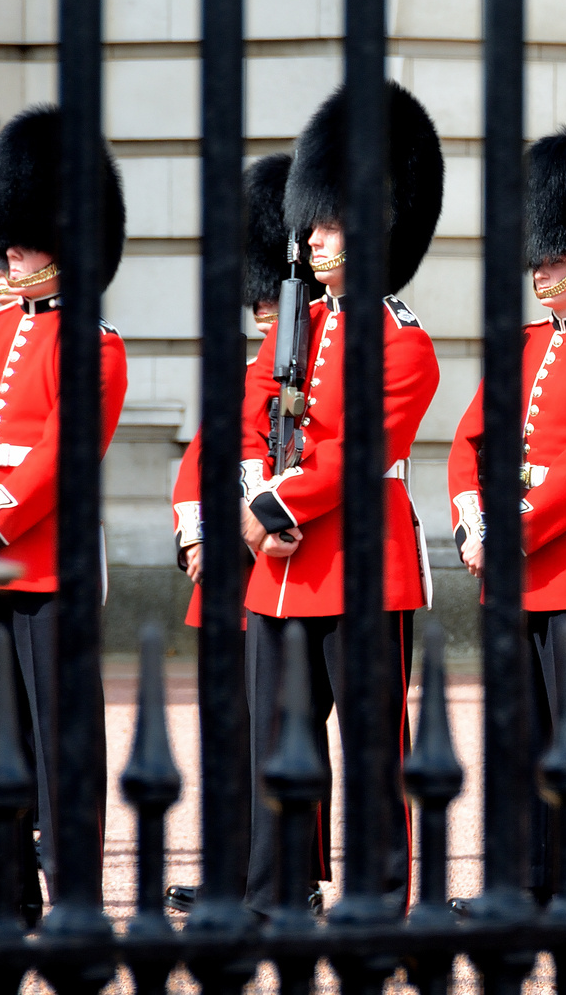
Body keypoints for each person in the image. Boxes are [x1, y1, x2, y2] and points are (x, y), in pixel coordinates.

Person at [237, 81, 443, 915]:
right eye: (312, 223)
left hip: (358, 563)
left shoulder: (403, 340)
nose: (315, 239)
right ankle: (276, 891)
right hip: (278, 570)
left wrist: (274, 510)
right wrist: (258, 493)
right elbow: (248, 418)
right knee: (278, 745)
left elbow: (361, 452)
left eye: (330, 224)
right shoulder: (298, 327)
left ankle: (380, 896)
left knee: (371, 748)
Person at [448, 123, 566, 904]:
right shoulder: (517, 345)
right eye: (538, 256)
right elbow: (467, 442)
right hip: (506, 568)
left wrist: (511, 534)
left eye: (551, 257)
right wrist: (471, 524)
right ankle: (520, 882)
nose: (539, 270)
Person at [0, 104, 129, 916]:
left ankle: (73, 895)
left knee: (63, 743)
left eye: (23, 240)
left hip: (42, 555)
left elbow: (65, 455)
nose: (8, 253)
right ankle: (1, 891)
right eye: (8, 239)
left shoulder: (94, 345)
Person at [163, 153, 325, 916]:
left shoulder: (314, 350)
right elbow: (205, 453)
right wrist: (197, 532)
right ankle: (232, 871)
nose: (265, 310)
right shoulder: (248, 358)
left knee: (279, 731)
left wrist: (249, 525)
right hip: (227, 568)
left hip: (275, 557)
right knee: (229, 732)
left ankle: (286, 875)